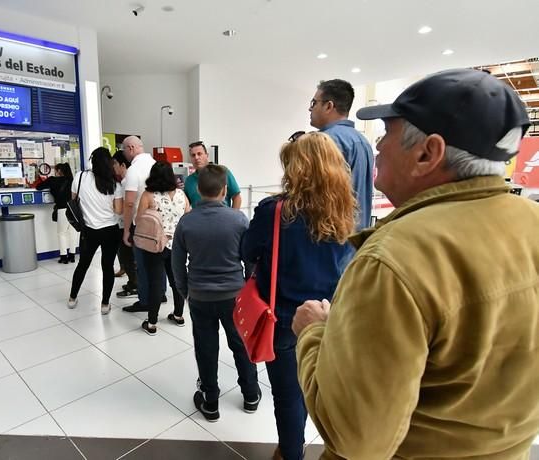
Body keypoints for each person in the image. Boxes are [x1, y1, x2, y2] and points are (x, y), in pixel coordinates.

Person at [293, 69, 539, 459]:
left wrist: (314, 335)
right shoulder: (531, 221)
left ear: (428, 153)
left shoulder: (394, 259)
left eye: (387, 134)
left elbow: (357, 440)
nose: (377, 147)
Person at [241, 133, 356, 460]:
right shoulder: (344, 210)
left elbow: (247, 250)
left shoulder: (274, 211)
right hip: (329, 316)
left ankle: (291, 453)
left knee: (289, 396)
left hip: (283, 319)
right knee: (317, 387)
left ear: (296, 169)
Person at [172, 164, 261, 422]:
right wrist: (246, 285)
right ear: (224, 191)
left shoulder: (186, 223)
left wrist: (185, 291)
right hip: (233, 296)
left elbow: (177, 264)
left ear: (198, 190)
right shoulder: (239, 220)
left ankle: (210, 401)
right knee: (241, 345)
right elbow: (251, 259)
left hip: (200, 296)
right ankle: (251, 395)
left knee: (206, 348)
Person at [308, 79, 374, 230]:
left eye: (314, 103)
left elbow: (315, 196)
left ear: (329, 106)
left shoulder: (324, 141)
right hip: (356, 238)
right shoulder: (362, 141)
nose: (310, 109)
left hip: (330, 239)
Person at [136, 161, 190, 335]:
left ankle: (152, 323)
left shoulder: (148, 195)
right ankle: (179, 315)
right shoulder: (181, 194)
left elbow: (139, 220)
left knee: (156, 283)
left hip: (155, 244)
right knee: (177, 281)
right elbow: (188, 216)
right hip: (178, 245)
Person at [68, 147, 123, 314]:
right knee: (107, 267)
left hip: (88, 231)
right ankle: (105, 304)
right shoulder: (114, 184)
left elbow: (73, 199)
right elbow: (119, 210)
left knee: (83, 264)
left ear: (92, 161)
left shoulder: (80, 177)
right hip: (110, 231)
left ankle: (72, 298)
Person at [120, 136, 165, 313]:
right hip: (160, 223)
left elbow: (129, 203)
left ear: (130, 148)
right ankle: (160, 294)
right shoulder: (156, 165)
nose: (124, 153)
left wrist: (126, 231)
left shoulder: (133, 170)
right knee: (158, 263)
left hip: (142, 225)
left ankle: (145, 300)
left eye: (124, 150)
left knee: (143, 265)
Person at [36, 163, 77, 264]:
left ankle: (63, 257)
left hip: (62, 210)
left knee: (62, 234)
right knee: (73, 233)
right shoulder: (72, 180)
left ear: (59, 171)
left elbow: (38, 187)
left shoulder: (52, 180)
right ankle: (72, 256)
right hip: (73, 210)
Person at [184, 141, 242, 209]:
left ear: (207, 155)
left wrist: (233, 216)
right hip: (200, 218)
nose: (196, 157)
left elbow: (237, 197)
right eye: (193, 155)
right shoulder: (189, 180)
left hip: (222, 217)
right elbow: (185, 204)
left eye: (199, 154)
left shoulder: (222, 172)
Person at [112, 150, 138, 296]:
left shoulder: (127, 182)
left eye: (115, 163)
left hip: (127, 225)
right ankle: (132, 282)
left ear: (123, 164)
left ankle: (135, 284)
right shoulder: (123, 181)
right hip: (125, 224)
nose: (113, 167)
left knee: (128, 256)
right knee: (126, 256)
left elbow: (124, 207)